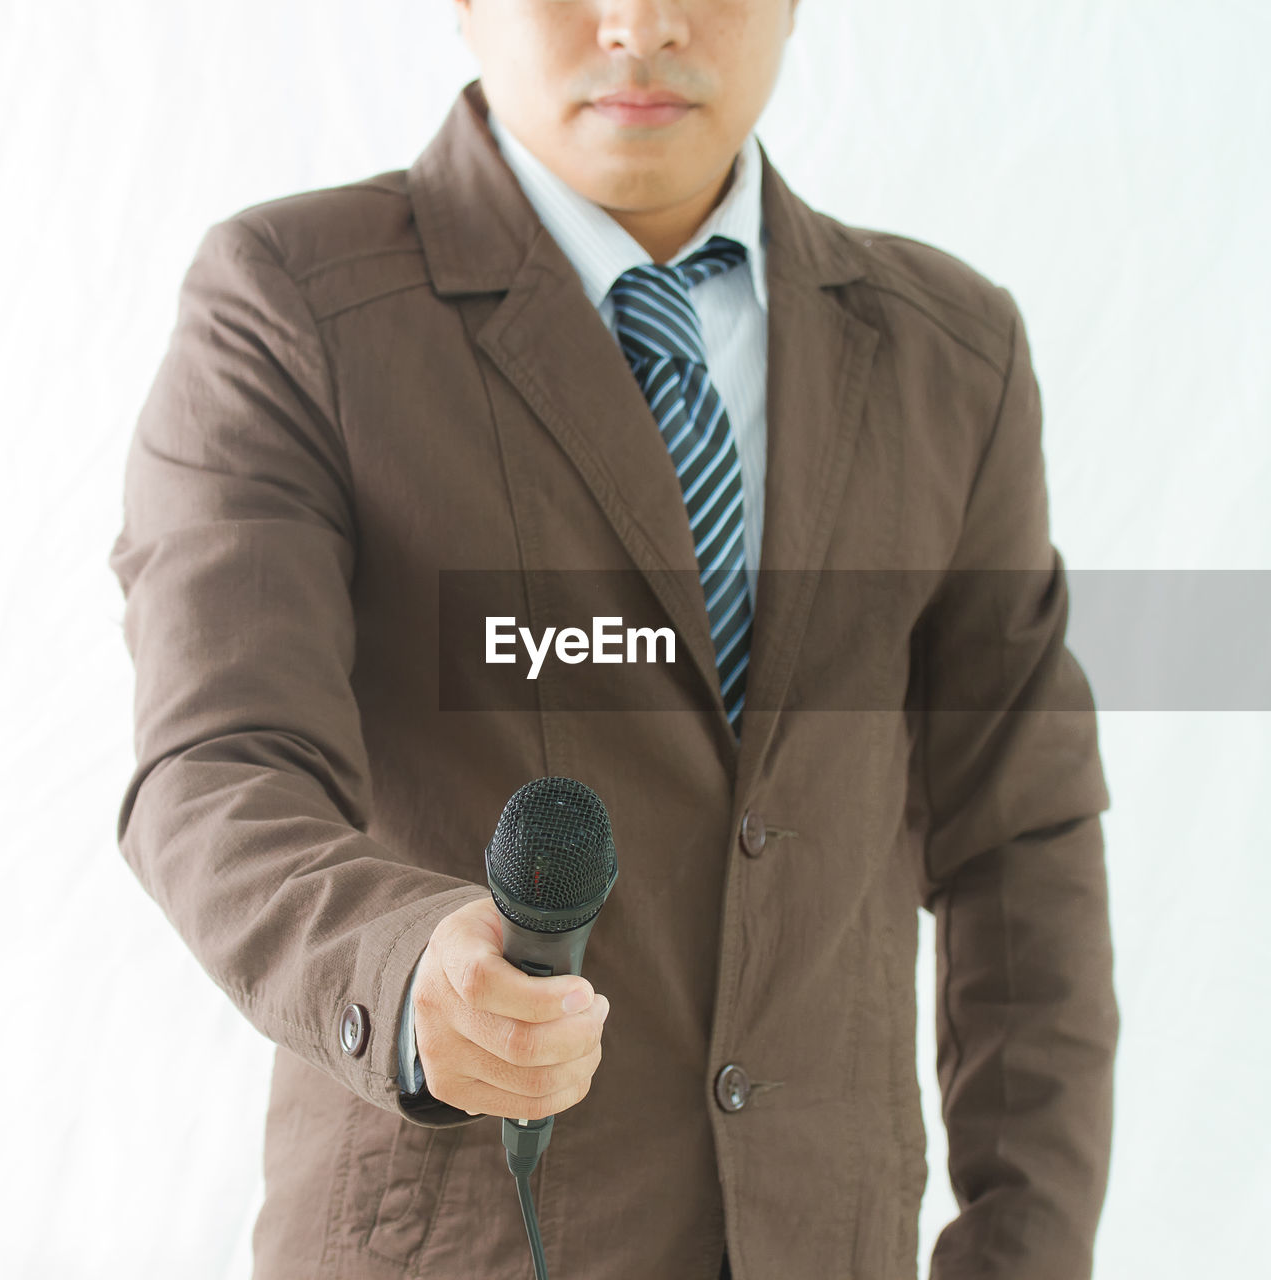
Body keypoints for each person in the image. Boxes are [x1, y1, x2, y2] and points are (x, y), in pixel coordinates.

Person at [107, 2, 1119, 1278]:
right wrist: (406, 965)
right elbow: (217, 763)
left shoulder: (950, 353)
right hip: (457, 1244)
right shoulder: (292, 304)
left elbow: (1017, 847)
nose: (639, 23)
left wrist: (1022, 1250)